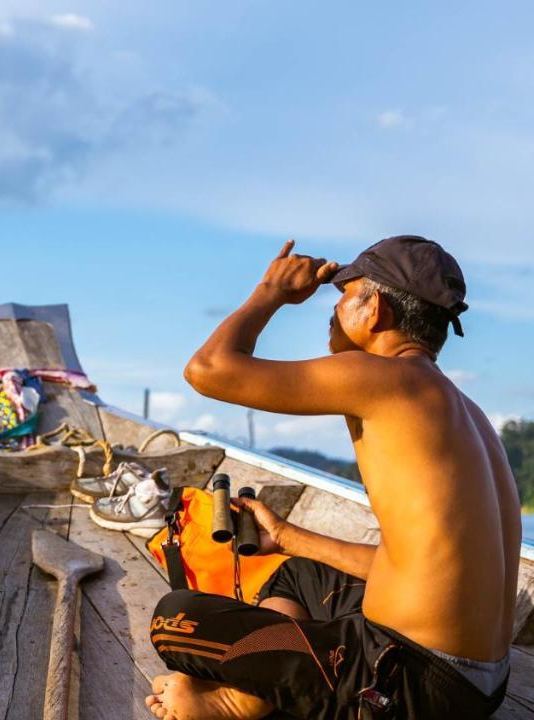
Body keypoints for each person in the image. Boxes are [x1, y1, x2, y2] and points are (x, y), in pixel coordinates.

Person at [145, 236, 520, 719]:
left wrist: (270, 291)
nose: (333, 309)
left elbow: (208, 370)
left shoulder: (385, 377)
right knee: (298, 574)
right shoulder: (465, 411)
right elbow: (407, 563)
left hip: (412, 687)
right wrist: (286, 536)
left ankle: (236, 701)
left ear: (376, 308)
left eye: (345, 296)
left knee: (175, 618)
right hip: (480, 683)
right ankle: (260, 688)